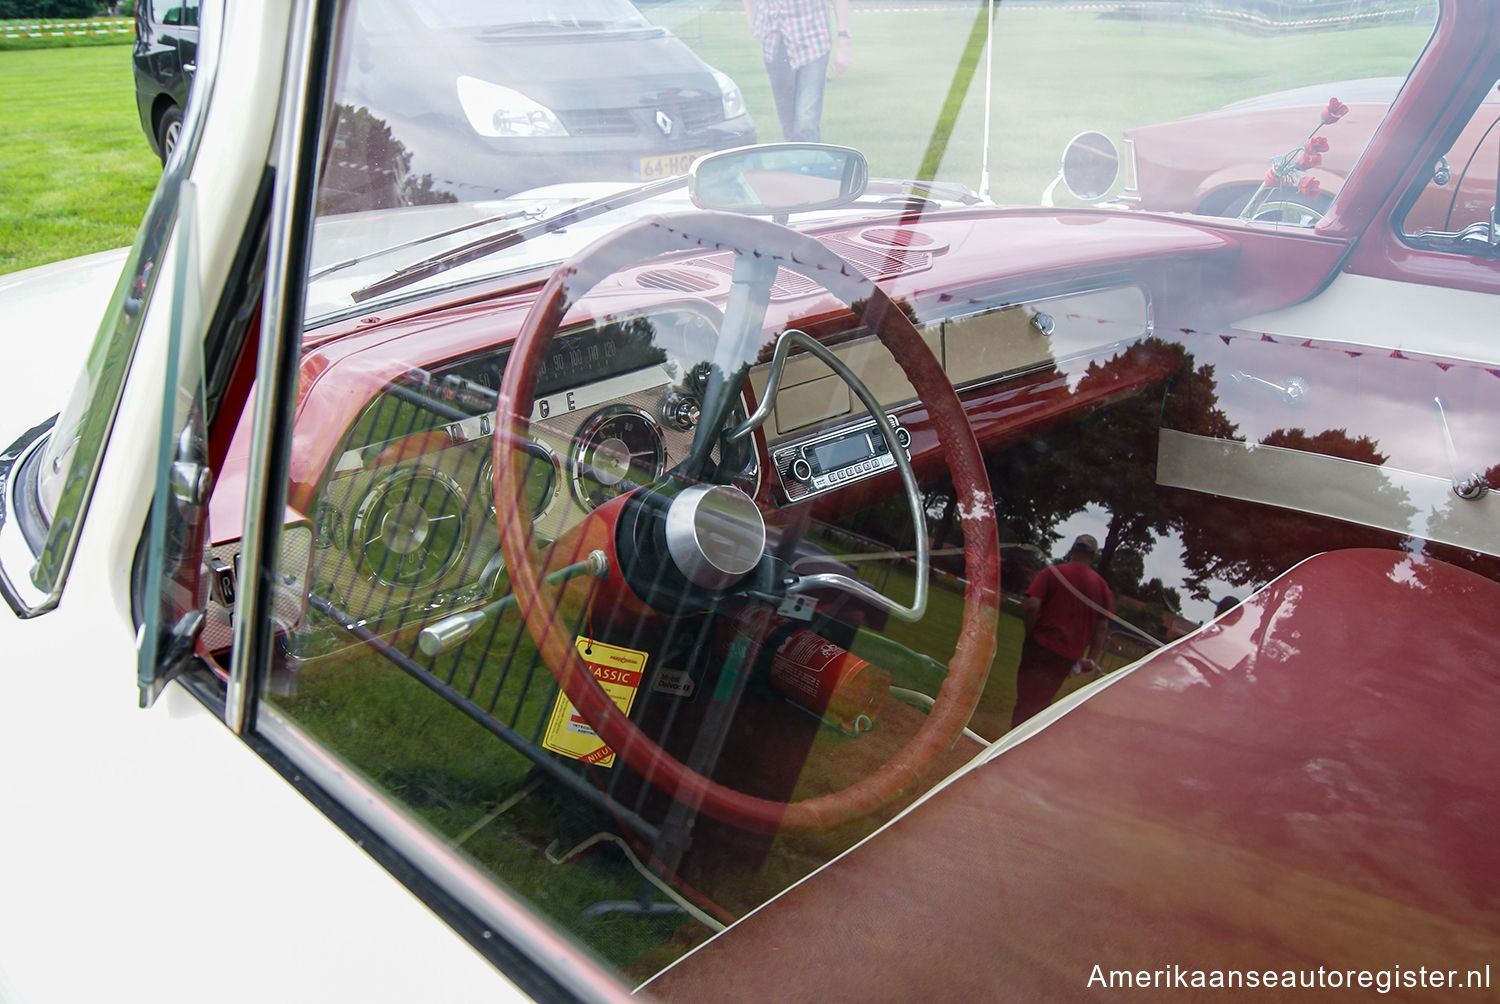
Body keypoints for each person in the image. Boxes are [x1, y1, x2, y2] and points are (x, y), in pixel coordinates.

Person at [1010, 534, 1114, 728]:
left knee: (1025, 700)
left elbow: (1031, 605)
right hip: (1066, 656)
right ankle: (1021, 745)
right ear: (1092, 556)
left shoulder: (1053, 573)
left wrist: (1030, 633)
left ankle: (1008, 746)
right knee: (1041, 703)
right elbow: (1101, 627)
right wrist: (1090, 658)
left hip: (1040, 645)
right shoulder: (1101, 587)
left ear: (1073, 550)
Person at [742, 0, 853, 143]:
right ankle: (799, 161)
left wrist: (844, 45)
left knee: (806, 121)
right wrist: (752, 21)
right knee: (788, 126)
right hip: (774, 44)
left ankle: (809, 162)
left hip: (813, 42)